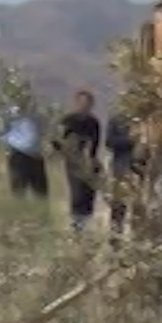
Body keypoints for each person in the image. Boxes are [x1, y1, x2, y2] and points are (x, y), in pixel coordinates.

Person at [54, 89, 104, 230]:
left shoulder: (94, 122)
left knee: (89, 194)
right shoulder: (68, 121)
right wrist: (66, 152)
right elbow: (56, 140)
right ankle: (77, 227)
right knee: (77, 194)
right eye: (82, 103)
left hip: (89, 162)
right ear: (76, 103)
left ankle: (85, 226)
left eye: (88, 103)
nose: (85, 106)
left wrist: (93, 160)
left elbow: (96, 143)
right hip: (74, 163)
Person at [103, 110, 139, 235]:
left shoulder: (153, 117)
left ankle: (139, 238)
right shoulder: (118, 119)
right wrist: (130, 139)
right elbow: (109, 142)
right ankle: (115, 239)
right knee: (119, 206)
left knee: (140, 206)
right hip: (122, 167)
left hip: (145, 169)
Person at [1, 106, 49, 199]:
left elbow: (44, 128)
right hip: (18, 155)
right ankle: (20, 211)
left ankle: (41, 211)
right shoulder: (10, 113)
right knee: (19, 190)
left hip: (36, 156)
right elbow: (1, 132)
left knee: (41, 192)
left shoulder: (36, 116)